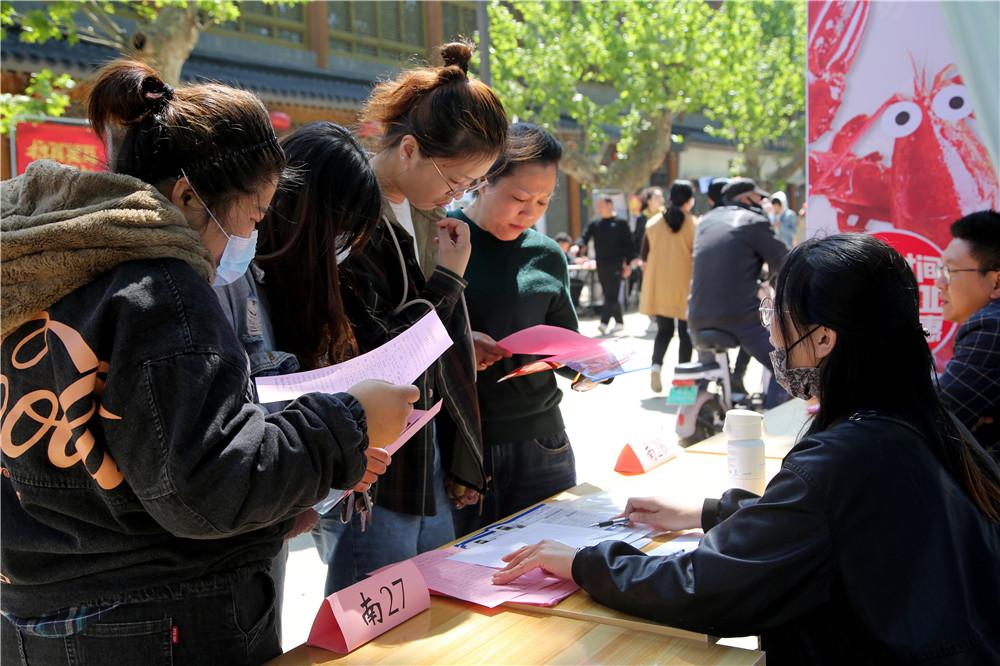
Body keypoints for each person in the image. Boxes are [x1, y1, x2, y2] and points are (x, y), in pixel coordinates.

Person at [0, 60, 415, 665]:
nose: (247, 238)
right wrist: (348, 421)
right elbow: (204, 486)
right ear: (188, 195)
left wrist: (274, 510)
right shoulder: (161, 289)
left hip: (36, 613)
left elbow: (148, 462)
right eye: (252, 216)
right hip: (157, 618)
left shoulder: (43, 263)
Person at [493, 234, 1000, 664]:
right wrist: (712, 510)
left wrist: (585, 562)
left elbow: (709, 587)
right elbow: (838, 522)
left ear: (824, 339)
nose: (773, 333)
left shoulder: (841, 456)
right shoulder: (916, 417)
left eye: (777, 316)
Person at [314, 42, 507, 593]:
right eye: (455, 181)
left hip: (423, 443)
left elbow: (414, 323)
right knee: (374, 609)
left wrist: (458, 329)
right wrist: (449, 279)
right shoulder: (351, 210)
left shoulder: (420, 212)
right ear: (408, 150)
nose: (458, 195)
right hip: (375, 457)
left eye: (471, 185)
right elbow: (379, 346)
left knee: (426, 605)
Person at [213, 121, 388, 637]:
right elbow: (234, 442)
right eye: (337, 231)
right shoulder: (228, 277)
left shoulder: (282, 281)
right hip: (230, 541)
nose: (340, 250)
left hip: (268, 526)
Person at [448, 123, 582, 533]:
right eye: (520, 198)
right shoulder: (446, 239)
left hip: (544, 443)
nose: (531, 213)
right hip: (464, 450)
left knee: (550, 573)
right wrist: (459, 346)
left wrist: (594, 367)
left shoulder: (545, 254)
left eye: (543, 201)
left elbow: (567, 348)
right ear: (484, 180)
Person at [687, 177, 789, 407]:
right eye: (759, 198)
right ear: (746, 199)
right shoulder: (753, 221)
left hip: (695, 317)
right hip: (739, 317)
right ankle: (775, 427)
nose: (763, 203)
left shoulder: (706, 221)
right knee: (785, 365)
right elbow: (785, 262)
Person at [938, 210, 1000, 458]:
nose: (938, 283)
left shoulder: (991, 326)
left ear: (996, 282)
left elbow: (932, 420)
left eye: (950, 271)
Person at [640, 180, 696, 393]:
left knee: (664, 331)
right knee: (685, 335)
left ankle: (656, 367)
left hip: (660, 288)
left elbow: (644, 256)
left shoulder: (652, 224)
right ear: (689, 201)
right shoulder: (694, 224)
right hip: (685, 289)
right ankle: (682, 386)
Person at [579, 197, 635, 334]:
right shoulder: (596, 224)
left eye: (601, 205)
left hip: (617, 265)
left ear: (610, 205)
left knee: (611, 295)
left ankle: (603, 323)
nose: (599, 208)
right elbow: (584, 237)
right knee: (609, 294)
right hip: (601, 265)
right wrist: (579, 245)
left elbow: (629, 246)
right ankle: (620, 322)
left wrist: (628, 264)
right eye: (597, 206)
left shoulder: (621, 223)